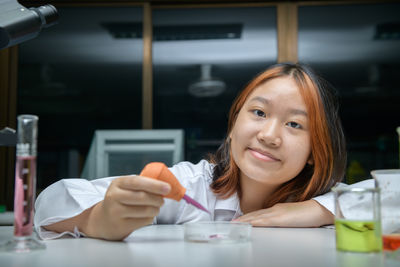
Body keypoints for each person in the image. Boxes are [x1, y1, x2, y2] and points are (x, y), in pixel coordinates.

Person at [34, 62, 347, 241]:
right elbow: (50, 203)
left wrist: (315, 210)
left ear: (314, 150)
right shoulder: (194, 183)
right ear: (234, 123)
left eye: (294, 124)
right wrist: (97, 219)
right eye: (259, 113)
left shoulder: (331, 203)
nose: (268, 135)